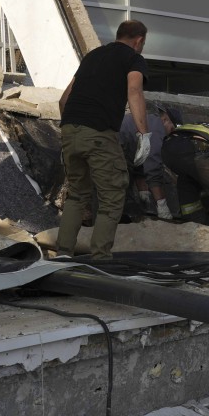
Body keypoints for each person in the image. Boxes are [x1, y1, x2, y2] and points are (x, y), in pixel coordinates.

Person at [56, 20, 151, 259]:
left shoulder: (92, 56)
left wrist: (71, 128)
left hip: (70, 129)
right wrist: (143, 134)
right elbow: (134, 91)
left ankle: (63, 254)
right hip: (99, 133)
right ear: (138, 41)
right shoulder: (133, 58)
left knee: (77, 195)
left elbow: (63, 100)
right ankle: (101, 259)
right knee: (112, 197)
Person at [121, 103, 180, 221]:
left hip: (119, 148)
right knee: (117, 192)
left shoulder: (150, 121)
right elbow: (152, 169)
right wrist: (162, 205)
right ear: (165, 120)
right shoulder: (157, 129)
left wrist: (144, 193)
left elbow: (139, 164)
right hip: (113, 148)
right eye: (172, 129)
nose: (171, 134)